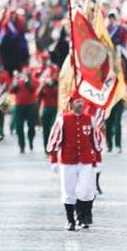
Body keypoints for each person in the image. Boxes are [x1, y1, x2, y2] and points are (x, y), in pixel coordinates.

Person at [47, 96, 101, 231]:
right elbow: (54, 140)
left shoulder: (90, 119)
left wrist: (98, 159)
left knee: (84, 190)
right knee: (68, 191)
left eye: (82, 101)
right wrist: (53, 159)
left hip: (86, 160)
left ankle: (83, 217)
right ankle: (70, 220)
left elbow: (95, 141)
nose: (80, 103)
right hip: (68, 161)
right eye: (77, 101)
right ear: (71, 104)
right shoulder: (63, 119)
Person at [11, 66, 39, 153]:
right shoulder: (17, 80)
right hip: (19, 106)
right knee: (19, 127)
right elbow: (11, 91)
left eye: (27, 72)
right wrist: (15, 83)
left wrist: (27, 80)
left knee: (31, 126)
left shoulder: (34, 80)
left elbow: (32, 88)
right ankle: (22, 146)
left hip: (31, 106)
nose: (25, 73)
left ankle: (30, 140)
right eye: (24, 72)